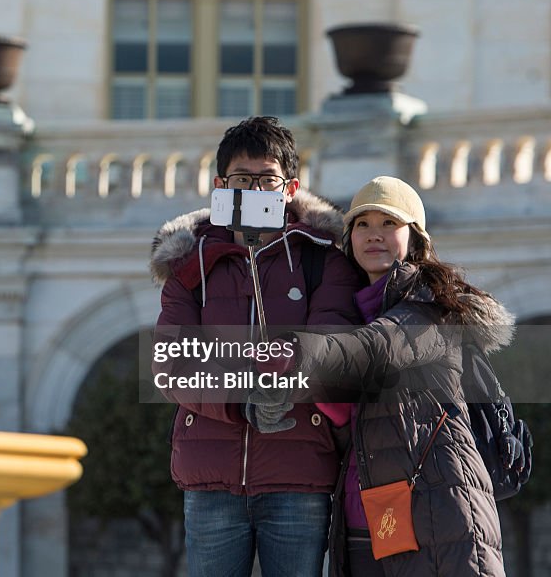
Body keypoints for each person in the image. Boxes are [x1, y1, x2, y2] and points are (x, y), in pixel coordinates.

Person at [149, 116, 362, 577]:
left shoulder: (323, 259)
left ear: (289, 187)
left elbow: (328, 348)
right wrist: (240, 401)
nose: (254, 191)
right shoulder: (189, 261)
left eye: (267, 180)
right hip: (211, 481)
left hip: (298, 473)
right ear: (220, 185)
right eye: (242, 180)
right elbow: (171, 364)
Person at [279, 176, 512, 576]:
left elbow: (376, 348)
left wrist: (297, 350)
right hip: (364, 517)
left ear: (416, 239)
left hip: (434, 514)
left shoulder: (428, 308)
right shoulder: (348, 313)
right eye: (363, 224)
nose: (375, 235)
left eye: (389, 224)